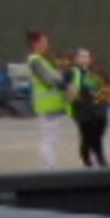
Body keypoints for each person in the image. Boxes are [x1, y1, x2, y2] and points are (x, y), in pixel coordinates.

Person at [24, 29, 67, 169]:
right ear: (36, 43)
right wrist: (63, 81)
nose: (47, 45)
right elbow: (49, 79)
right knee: (48, 140)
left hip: (51, 106)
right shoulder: (35, 61)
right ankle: (49, 168)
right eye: (45, 41)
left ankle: (50, 167)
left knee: (52, 140)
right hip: (46, 107)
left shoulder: (42, 60)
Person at [66, 48, 110, 167]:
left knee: (98, 134)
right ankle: (88, 160)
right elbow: (69, 91)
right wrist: (72, 95)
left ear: (90, 59)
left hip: (96, 109)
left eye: (86, 56)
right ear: (76, 59)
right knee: (86, 136)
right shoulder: (72, 72)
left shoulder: (95, 72)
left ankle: (99, 156)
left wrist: (104, 100)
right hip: (82, 110)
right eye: (82, 56)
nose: (84, 59)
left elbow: (103, 88)